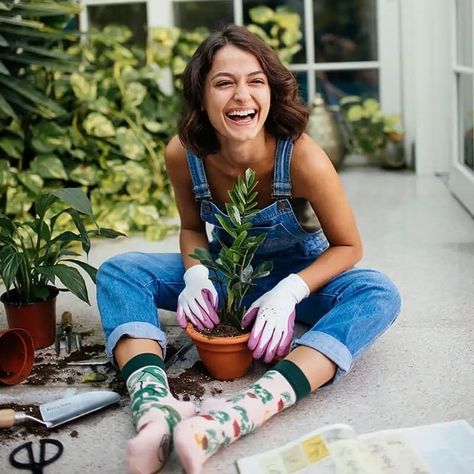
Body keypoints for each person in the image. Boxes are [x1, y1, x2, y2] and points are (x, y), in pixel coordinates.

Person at [96, 24, 401, 474]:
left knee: (379, 293)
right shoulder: (184, 153)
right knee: (121, 271)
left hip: (301, 277)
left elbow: (349, 246)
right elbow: (191, 229)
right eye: (224, 83)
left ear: (272, 93)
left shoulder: (302, 157)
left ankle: (235, 417)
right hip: (226, 274)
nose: (242, 96)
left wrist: (289, 294)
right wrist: (197, 275)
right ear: (202, 96)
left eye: (255, 81)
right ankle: (154, 408)